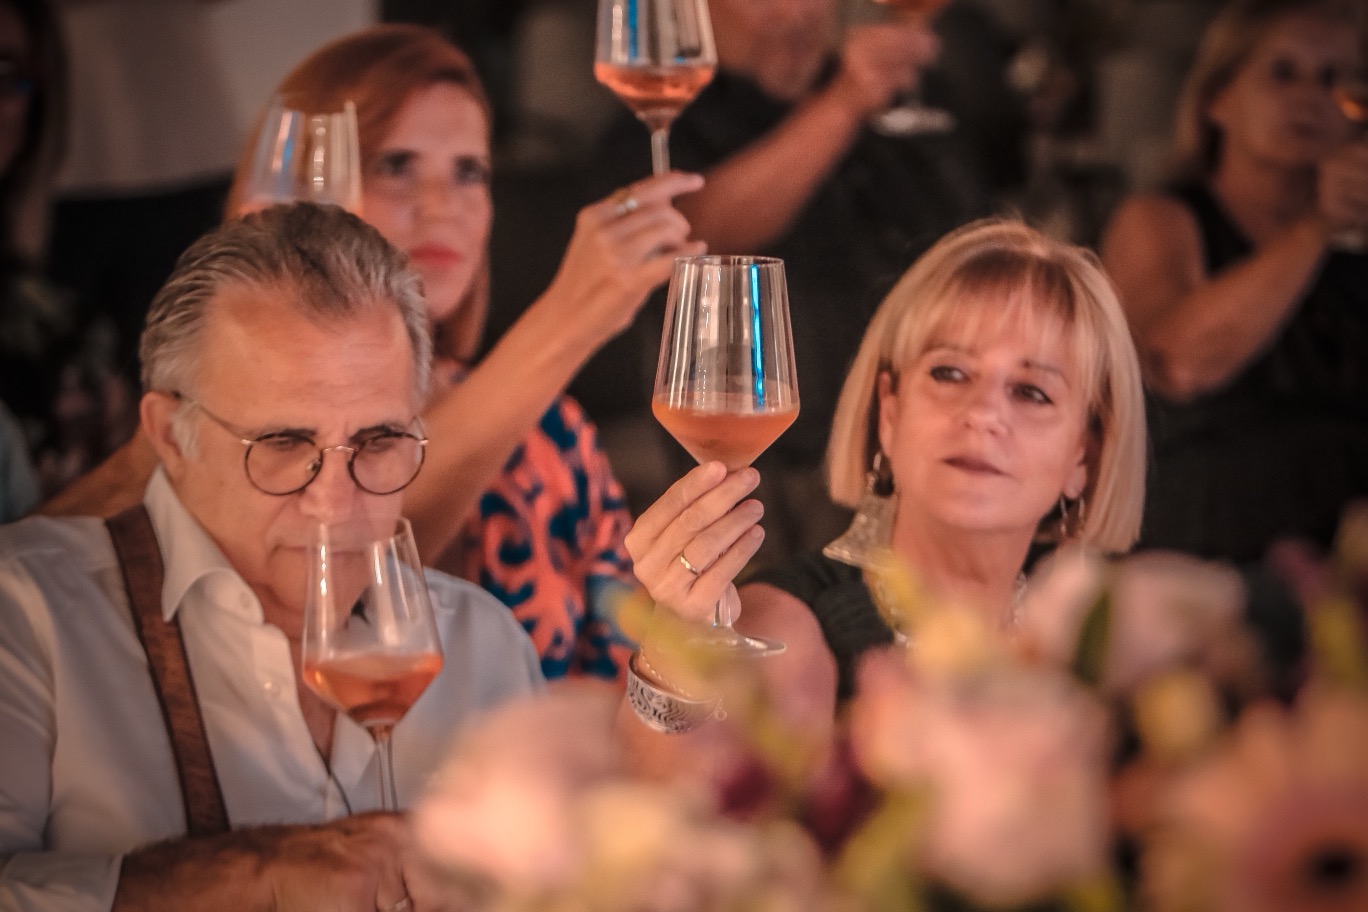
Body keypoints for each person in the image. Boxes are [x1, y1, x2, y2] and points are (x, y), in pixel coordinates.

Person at [41, 24, 705, 682]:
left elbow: (626, 679)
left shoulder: (554, 434)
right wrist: (570, 320)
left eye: (469, 171)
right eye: (395, 165)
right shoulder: (232, 429)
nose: (440, 205)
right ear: (298, 190)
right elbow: (332, 592)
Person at [0, 203, 544, 911]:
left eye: (377, 442)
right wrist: (255, 873)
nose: (335, 505)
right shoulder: (27, 612)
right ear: (169, 435)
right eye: (284, 444)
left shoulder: (481, 643)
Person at [621, 219, 1147, 731]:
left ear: (1084, 457)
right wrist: (671, 652)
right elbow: (666, 783)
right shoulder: (790, 626)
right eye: (950, 372)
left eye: (1031, 392)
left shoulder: (1109, 646)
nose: (983, 413)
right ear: (889, 412)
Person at [580, 0, 994, 560]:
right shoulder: (665, 120)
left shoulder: (907, 94)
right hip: (773, 477)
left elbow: (981, 237)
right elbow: (690, 233)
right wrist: (845, 102)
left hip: (936, 445)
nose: (794, 11)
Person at [1099, 0, 1368, 563]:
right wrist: (1317, 227)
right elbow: (1177, 362)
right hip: (1197, 555)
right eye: (1282, 72)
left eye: (1333, 80)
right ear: (1217, 98)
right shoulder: (1161, 220)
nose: (1309, 97)